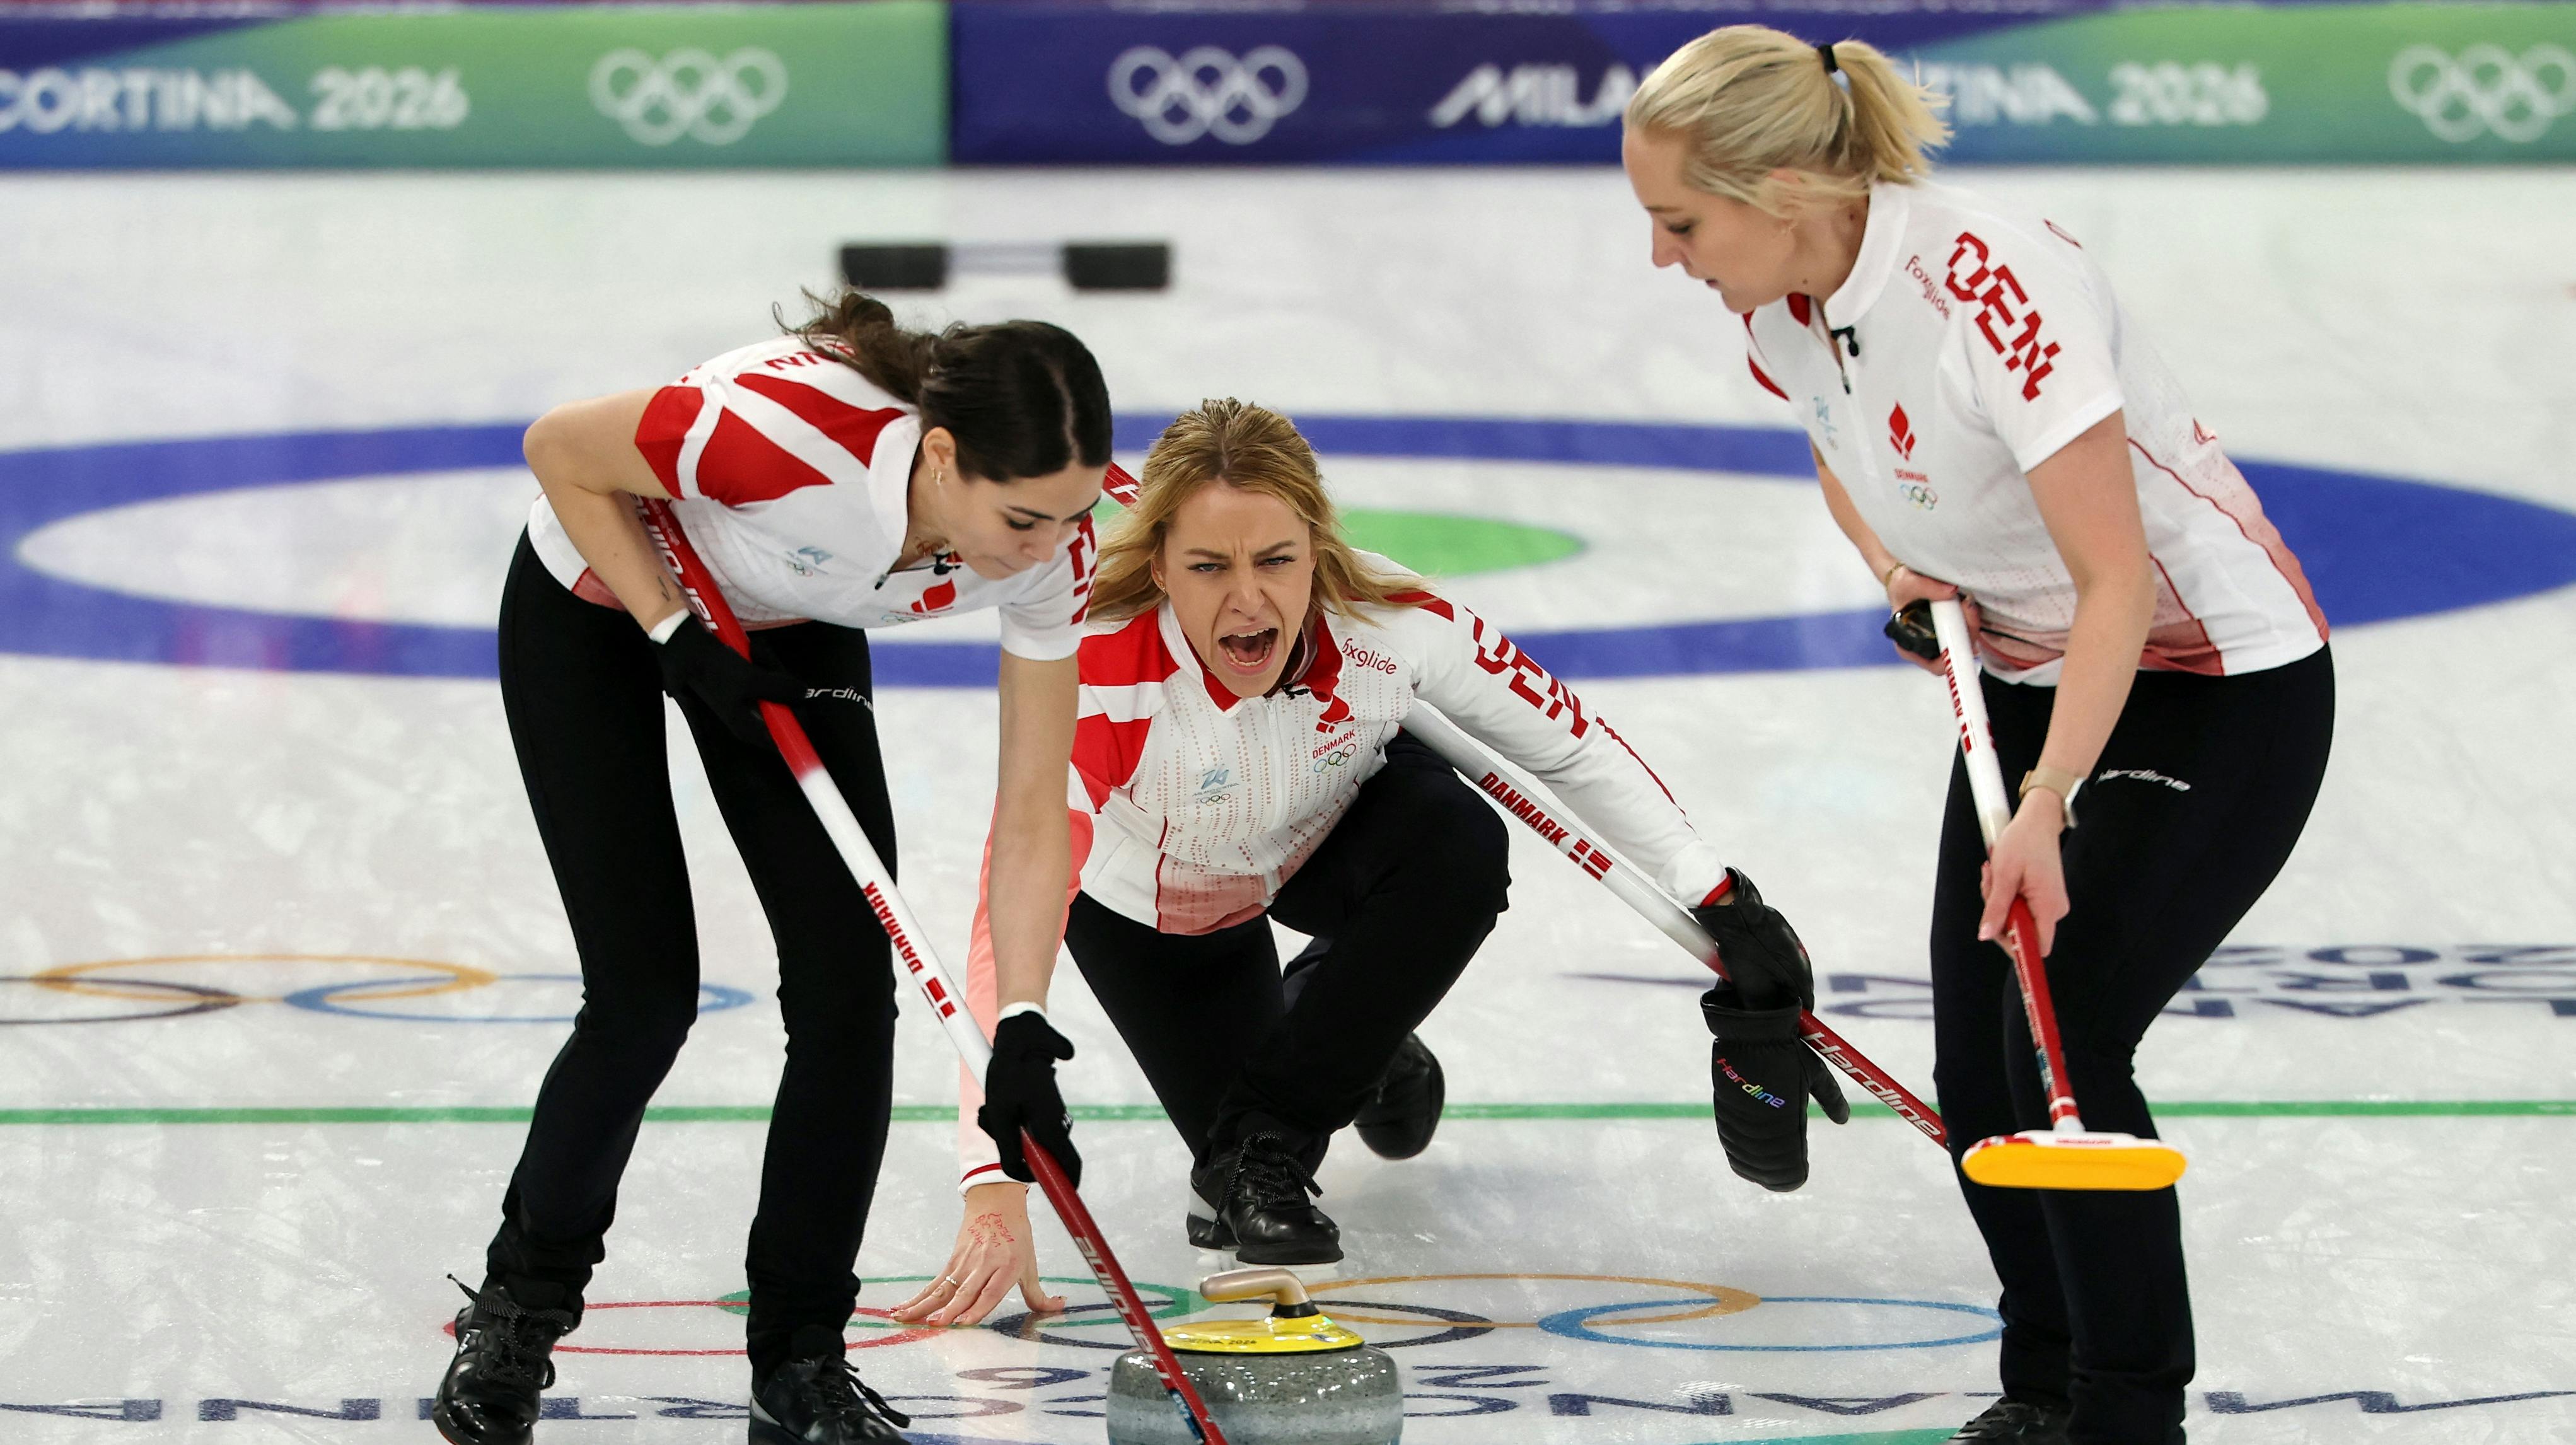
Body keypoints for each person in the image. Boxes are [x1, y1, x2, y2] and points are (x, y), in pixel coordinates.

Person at [1620, 26, 2335, 1445]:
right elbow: (1848, 454)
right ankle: (2045, 1389)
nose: (1665, 260)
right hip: (2017, 682)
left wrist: (2050, 798)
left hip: (2206, 681)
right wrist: (1902, 571)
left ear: (1778, 190)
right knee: (1973, 1065)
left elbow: (2119, 578)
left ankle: (2130, 1415)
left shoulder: (1994, 284)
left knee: (2056, 1022)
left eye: (1679, 222)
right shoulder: (1778, 306)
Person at [885, 398, 1844, 1328]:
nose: (1248, 596)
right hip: (1163, 908)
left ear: (1319, 551)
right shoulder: (1098, 669)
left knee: (1454, 845)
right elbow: (1007, 908)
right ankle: (1371, 1052)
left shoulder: (1391, 619)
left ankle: (1287, 1117)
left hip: (1321, 844)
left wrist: (1717, 895)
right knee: (1230, 1184)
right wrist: (991, 1178)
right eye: (1208, 565)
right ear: (1162, 568)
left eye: (1277, 559)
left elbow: (1571, 746)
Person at [431, 293, 1111, 1445]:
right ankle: (520, 1307)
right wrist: (670, 631)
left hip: (791, 616)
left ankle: (799, 1360)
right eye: (1026, 519)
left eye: (1071, 516)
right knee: (644, 995)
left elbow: (1036, 812)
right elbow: (558, 449)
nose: (1050, 550)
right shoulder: (789, 436)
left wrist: (1026, 1023)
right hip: (601, 593)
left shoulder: (1057, 542)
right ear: (941, 458)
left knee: (850, 993)